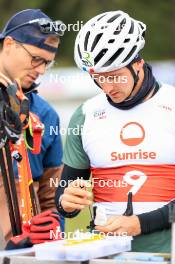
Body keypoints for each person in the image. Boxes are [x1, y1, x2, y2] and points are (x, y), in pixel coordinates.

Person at [55, 10, 175, 253]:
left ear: (138, 63)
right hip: (105, 254)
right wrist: (66, 202)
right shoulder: (85, 114)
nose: (107, 87)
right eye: (98, 78)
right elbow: (66, 191)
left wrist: (140, 224)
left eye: (115, 77)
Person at [0, 9, 64, 245]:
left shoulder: (46, 115)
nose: (41, 71)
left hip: (27, 255)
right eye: (35, 58)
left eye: (47, 63)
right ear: (9, 44)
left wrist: (54, 241)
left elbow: (52, 197)